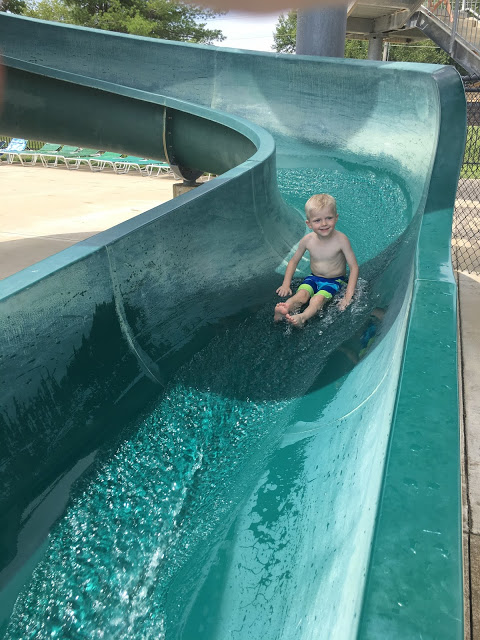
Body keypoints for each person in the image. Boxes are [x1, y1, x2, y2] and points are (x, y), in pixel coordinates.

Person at [274, 193, 358, 327]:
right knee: (301, 295)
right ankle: (285, 308)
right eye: (317, 220)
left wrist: (348, 296)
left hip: (334, 281)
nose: (324, 223)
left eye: (329, 218)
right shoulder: (307, 241)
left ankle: (302, 317)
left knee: (317, 299)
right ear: (309, 224)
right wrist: (286, 284)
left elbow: (354, 267)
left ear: (336, 218)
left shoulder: (341, 240)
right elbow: (293, 261)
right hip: (312, 278)